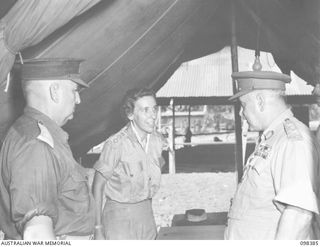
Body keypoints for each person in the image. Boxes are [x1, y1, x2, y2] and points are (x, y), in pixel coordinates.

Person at [0, 58, 95, 240]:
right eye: (74, 91)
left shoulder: (35, 133)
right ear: (55, 92)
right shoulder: (36, 145)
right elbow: (36, 233)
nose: (78, 99)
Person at [225, 70, 320, 239]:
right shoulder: (273, 137)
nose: (241, 113)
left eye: (243, 105)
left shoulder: (292, 141)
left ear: (260, 101)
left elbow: (299, 214)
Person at [92, 88, 168, 240]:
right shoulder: (116, 144)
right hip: (119, 219)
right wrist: (98, 228)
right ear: (131, 114)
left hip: (147, 216)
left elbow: (154, 170)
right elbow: (97, 186)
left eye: (154, 109)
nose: (153, 116)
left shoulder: (157, 141)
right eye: (145, 110)